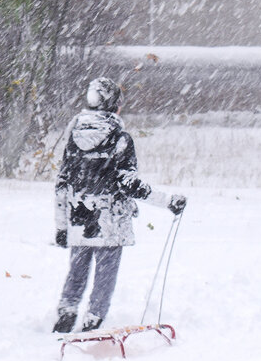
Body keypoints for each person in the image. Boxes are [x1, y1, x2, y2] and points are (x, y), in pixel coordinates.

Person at [52, 77, 185, 333]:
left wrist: (61, 226)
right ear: (114, 105)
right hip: (109, 220)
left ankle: (67, 312)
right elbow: (128, 184)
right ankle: (93, 319)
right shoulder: (120, 139)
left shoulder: (73, 137)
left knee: (77, 267)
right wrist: (167, 201)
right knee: (105, 273)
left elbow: (62, 182)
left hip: (78, 217)